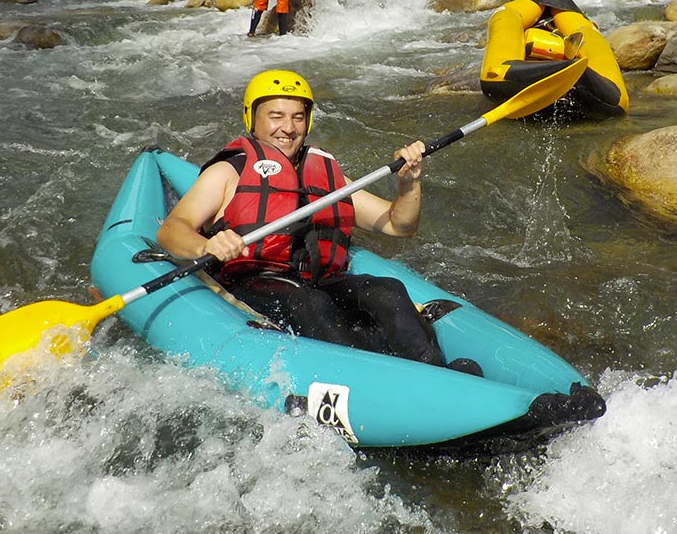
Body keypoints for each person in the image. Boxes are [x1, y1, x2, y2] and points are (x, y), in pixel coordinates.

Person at [156, 70, 474, 372]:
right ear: (252, 119)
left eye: (297, 117)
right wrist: (207, 244)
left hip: (320, 280)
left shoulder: (326, 174)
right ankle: (365, 378)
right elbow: (172, 229)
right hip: (256, 280)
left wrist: (410, 182)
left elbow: (398, 225)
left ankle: (433, 371)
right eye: (276, 116)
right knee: (309, 303)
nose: (288, 128)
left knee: (387, 290)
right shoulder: (229, 172)